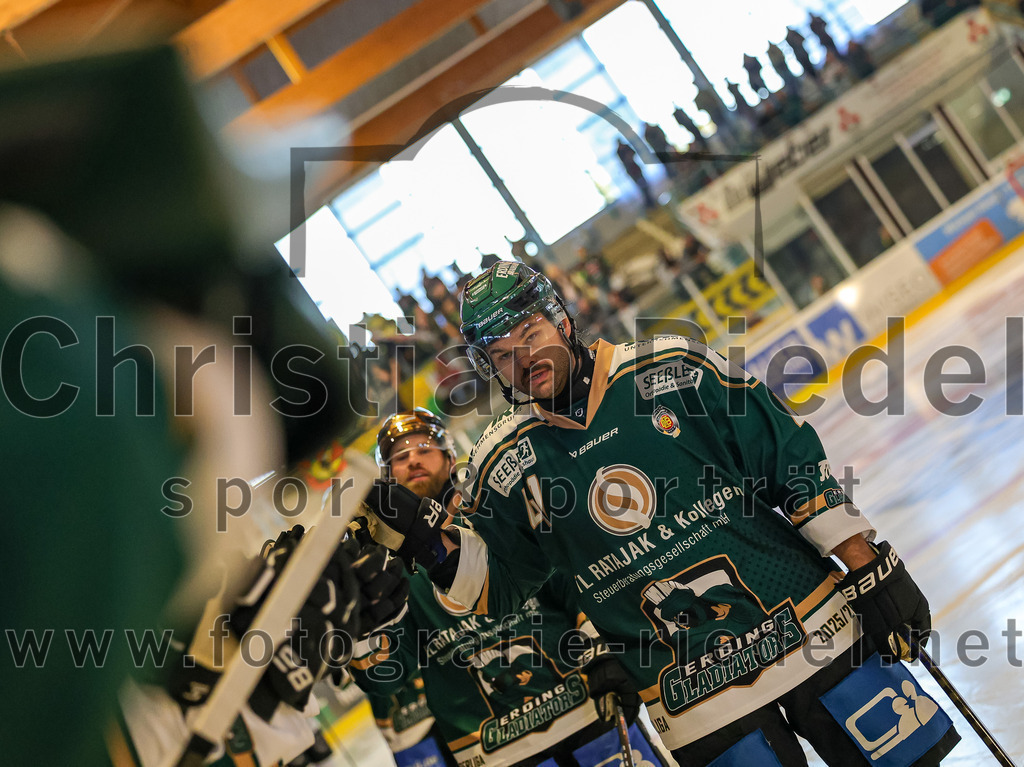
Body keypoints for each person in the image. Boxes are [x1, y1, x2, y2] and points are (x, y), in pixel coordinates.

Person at [362, 261, 962, 766]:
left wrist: (866, 562)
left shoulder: (673, 367)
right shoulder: (503, 460)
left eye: (530, 333)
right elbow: (499, 584)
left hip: (812, 630)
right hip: (692, 698)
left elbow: (786, 458)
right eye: (501, 353)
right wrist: (431, 550)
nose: (523, 358)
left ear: (562, 319)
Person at [354, 409, 663, 766]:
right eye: (399, 457)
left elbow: (575, 581)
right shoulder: (387, 564)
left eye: (424, 448)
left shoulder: (493, 511)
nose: (413, 460)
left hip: (587, 708)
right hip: (495, 751)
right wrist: (359, 623)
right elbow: (386, 678)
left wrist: (602, 653)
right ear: (387, 477)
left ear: (450, 457)